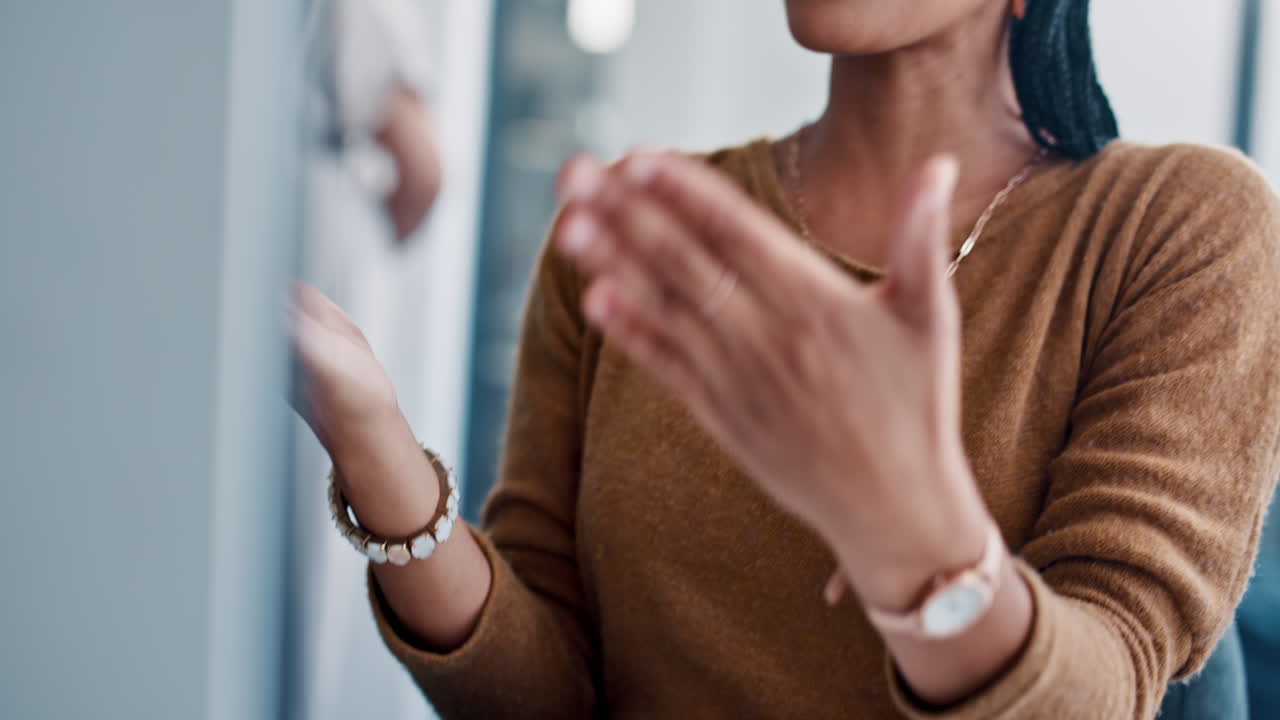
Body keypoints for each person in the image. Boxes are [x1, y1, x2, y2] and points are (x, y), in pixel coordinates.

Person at [290, 0, 1280, 717]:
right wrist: (376, 449)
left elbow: (1111, 686)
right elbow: (548, 695)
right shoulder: (646, 227)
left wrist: (913, 536)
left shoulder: (1179, 228)